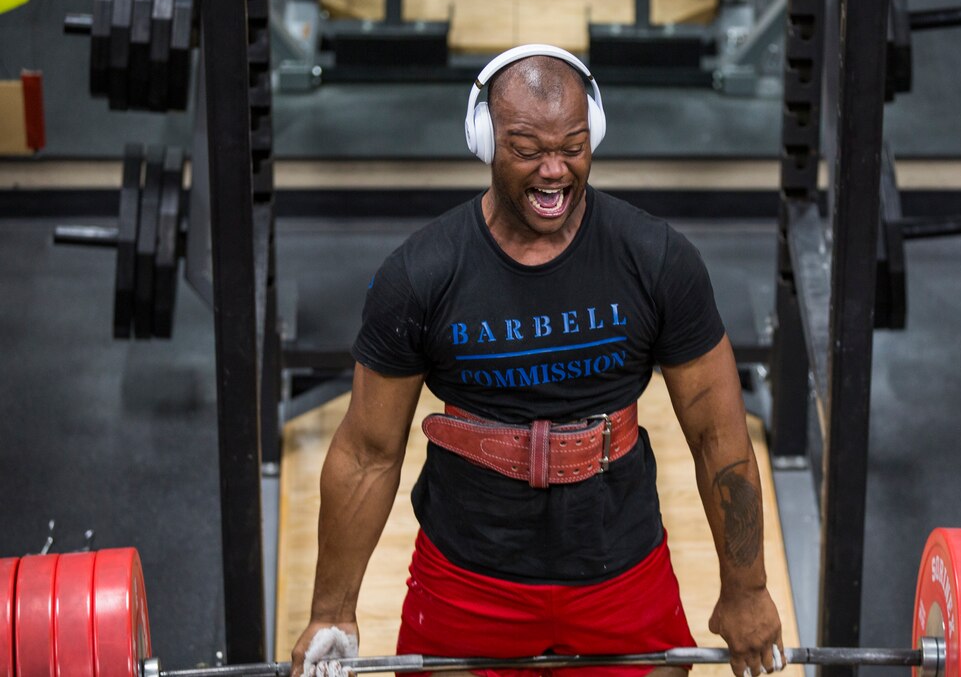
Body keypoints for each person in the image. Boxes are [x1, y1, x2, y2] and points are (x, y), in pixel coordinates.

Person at [290, 44, 784, 677]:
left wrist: (745, 589)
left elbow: (720, 437)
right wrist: (333, 611)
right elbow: (367, 453)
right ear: (483, 140)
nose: (554, 171)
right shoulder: (421, 275)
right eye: (527, 150)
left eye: (574, 146)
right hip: (469, 574)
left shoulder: (656, 259)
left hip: (620, 564)